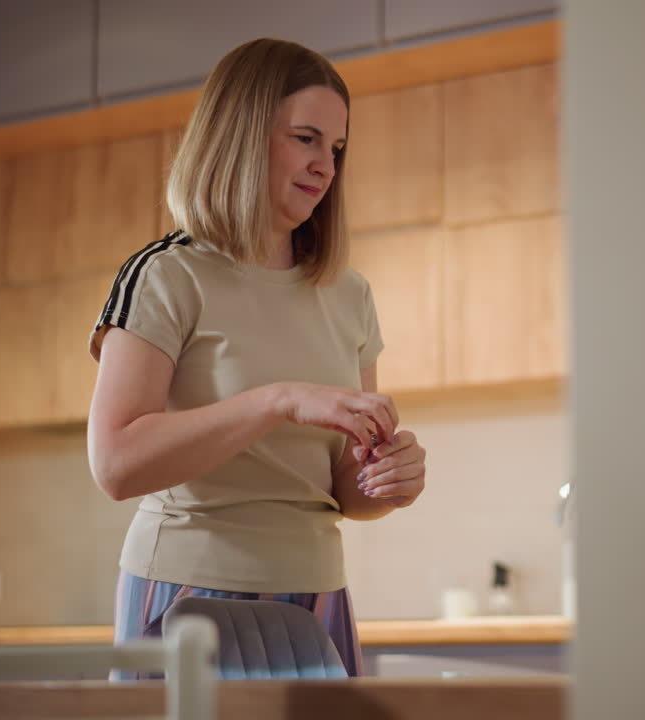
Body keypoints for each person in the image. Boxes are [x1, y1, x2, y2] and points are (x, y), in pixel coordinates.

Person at [86, 38, 427, 678]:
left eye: (337, 148)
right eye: (306, 138)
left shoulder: (350, 294)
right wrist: (278, 400)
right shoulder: (166, 276)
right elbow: (116, 464)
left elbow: (345, 487)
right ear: (241, 135)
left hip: (317, 593)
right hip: (187, 592)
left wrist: (388, 481)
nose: (326, 166)